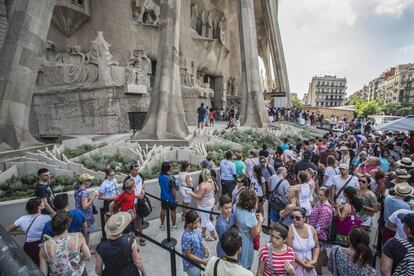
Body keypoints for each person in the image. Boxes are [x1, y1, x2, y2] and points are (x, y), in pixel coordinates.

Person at [39, 211, 91, 276]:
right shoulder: (78, 236)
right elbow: (88, 257)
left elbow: (43, 273)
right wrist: (78, 256)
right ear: (67, 225)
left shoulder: (44, 247)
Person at [7, 198, 51, 266]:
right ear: (38, 207)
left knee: (32, 267)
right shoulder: (46, 218)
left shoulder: (22, 218)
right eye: (42, 202)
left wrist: (25, 232)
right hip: (42, 246)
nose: (44, 203)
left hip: (28, 247)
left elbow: (8, 230)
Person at [234, 187, 263, 269]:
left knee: (238, 260)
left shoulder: (237, 207)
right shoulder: (250, 216)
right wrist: (260, 221)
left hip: (238, 235)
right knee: (245, 263)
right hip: (246, 241)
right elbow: (255, 235)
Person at [286, 208, 319, 276]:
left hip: (309, 264)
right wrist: (304, 265)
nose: (294, 220)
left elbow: (316, 247)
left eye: (297, 218)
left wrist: (314, 260)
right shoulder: (290, 230)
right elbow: (290, 252)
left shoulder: (312, 229)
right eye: (292, 217)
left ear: (304, 219)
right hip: (295, 265)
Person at [187, 169, 217, 241]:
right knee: (204, 219)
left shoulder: (203, 185)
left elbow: (199, 197)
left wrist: (191, 193)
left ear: (202, 175)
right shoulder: (212, 181)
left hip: (204, 205)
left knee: (206, 220)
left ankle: (213, 235)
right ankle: (203, 233)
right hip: (210, 203)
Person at [309, 187, 333, 274]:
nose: (319, 196)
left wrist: (312, 234)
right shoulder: (320, 203)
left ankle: (317, 272)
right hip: (315, 232)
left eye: (321, 195)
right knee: (320, 253)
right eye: (318, 194)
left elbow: (320, 226)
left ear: (326, 196)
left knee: (317, 256)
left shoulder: (325, 209)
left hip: (319, 235)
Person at [181, 210, 209, 276]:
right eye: (196, 223)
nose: (198, 224)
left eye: (198, 221)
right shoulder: (186, 237)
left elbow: (200, 242)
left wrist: (205, 249)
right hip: (192, 266)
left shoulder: (195, 230)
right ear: (189, 224)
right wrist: (203, 262)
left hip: (198, 261)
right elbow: (189, 255)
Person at [74, 173, 98, 247]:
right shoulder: (84, 192)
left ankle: (84, 249)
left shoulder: (77, 190)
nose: (91, 182)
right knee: (86, 234)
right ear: (84, 181)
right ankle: (86, 250)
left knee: (83, 233)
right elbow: (85, 206)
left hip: (80, 215)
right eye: (89, 180)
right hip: (85, 216)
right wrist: (94, 197)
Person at [124, 164, 145, 242]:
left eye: (138, 169)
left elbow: (142, 183)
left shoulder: (140, 175)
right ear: (131, 170)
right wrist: (137, 196)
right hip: (132, 203)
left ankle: (141, 236)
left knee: (140, 219)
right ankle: (133, 240)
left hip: (140, 201)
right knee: (133, 220)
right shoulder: (127, 179)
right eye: (135, 170)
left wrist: (143, 191)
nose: (137, 171)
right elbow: (126, 192)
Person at [158, 161, 178, 230]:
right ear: (168, 169)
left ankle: (162, 225)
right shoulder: (171, 178)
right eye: (170, 166)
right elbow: (173, 190)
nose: (172, 167)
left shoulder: (160, 176)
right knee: (173, 211)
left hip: (163, 197)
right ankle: (174, 226)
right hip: (171, 199)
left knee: (163, 210)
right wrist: (176, 198)